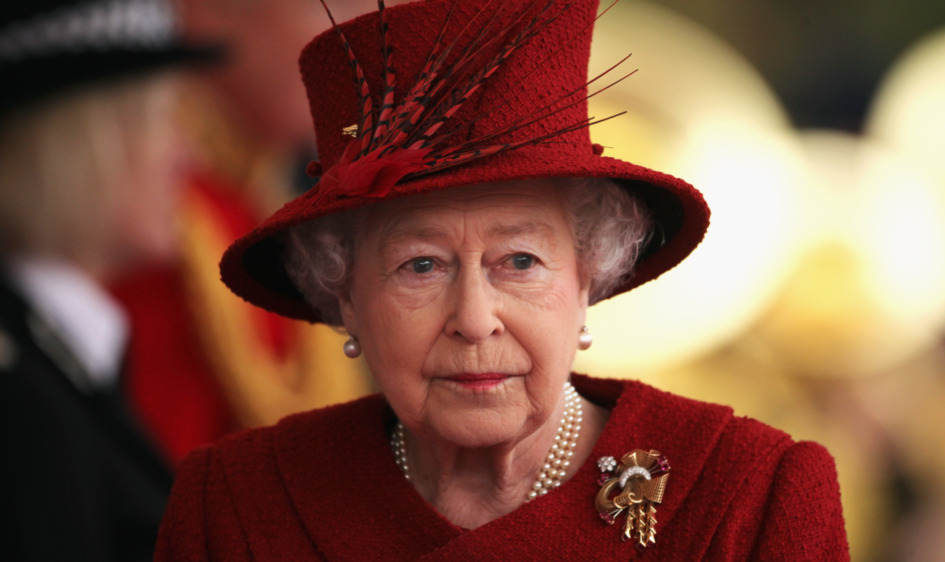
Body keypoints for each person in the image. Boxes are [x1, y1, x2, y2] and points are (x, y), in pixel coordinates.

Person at [155, 0, 850, 559]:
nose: (475, 318)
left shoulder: (752, 498)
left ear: (589, 278)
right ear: (346, 297)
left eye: (519, 262)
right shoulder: (238, 505)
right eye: (420, 265)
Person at [109, 0, 373, 466]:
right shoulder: (143, 213)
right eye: (332, 9)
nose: (362, 42)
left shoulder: (266, 197)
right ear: (204, 12)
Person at [0, 0, 216, 559]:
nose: (186, 154)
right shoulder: (21, 402)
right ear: (79, 145)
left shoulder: (53, 353)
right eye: (161, 120)